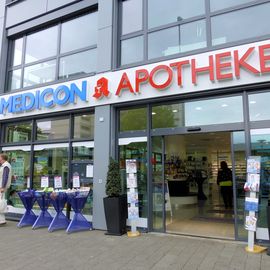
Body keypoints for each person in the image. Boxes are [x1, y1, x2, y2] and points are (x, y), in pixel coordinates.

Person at [0, 153, 12, 225]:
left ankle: (1, 220)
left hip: (1, 187)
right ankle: (2, 220)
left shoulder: (6, 166)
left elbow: (5, 177)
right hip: (1, 186)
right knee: (0, 203)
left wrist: (3, 187)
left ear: (2, 158)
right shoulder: (4, 165)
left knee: (1, 203)